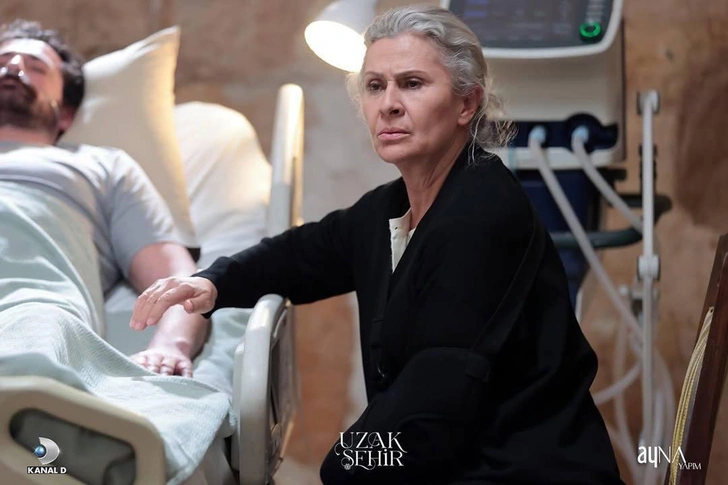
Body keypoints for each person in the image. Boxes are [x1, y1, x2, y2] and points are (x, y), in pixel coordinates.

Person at [131, 5, 624, 484]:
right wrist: (212, 283)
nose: (388, 103)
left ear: (467, 104)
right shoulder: (392, 207)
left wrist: (344, 466)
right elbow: (305, 253)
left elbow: (434, 402)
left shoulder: (484, 214)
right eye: (374, 86)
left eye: (412, 83)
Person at [0, 19, 208, 378]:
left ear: (66, 114)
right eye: (3, 61)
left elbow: (177, 279)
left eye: (36, 67)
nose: (13, 67)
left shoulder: (103, 166)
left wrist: (170, 346)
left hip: (32, 312)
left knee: (38, 345)